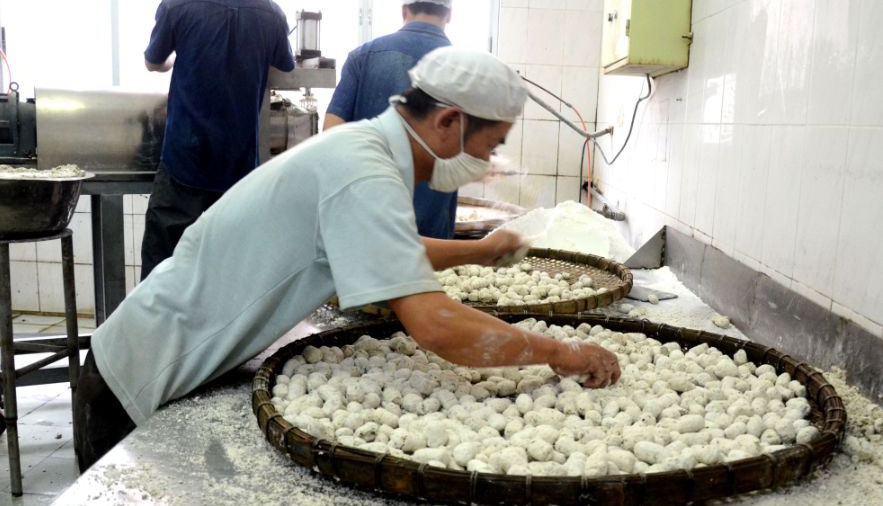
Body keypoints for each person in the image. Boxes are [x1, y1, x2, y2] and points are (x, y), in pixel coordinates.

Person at [73, 47, 621, 471]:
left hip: (145, 351)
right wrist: (560, 352)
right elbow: (435, 326)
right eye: (491, 144)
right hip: (137, 377)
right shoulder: (365, 172)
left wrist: (479, 252)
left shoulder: (362, 147)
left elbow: (388, 249)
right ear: (449, 122)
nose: (487, 160)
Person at [140, 0, 295, 281]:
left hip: (185, 159)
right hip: (239, 164)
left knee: (164, 264)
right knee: (231, 267)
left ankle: (161, 319)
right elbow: (285, 67)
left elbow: (153, 62)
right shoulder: (271, 12)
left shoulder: (177, 5)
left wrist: (177, 59)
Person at [324, 0, 458, 239]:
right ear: (449, 15)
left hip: (366, 223)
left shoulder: (363, 57)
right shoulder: (466, 71)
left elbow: (330, 133)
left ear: (404, 10)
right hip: (431, 236)